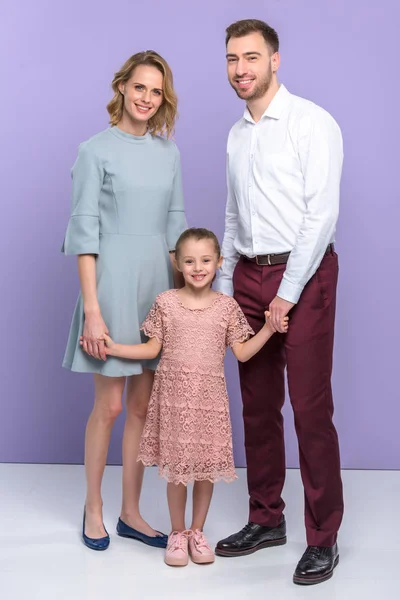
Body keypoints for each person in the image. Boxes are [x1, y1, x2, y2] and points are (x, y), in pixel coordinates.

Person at [215, 19, 344, 585]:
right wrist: (223, 290)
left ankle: (324, 537)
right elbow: (232, 216)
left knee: (311, 411)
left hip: (305, 275)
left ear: (275, 60)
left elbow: (321, 215)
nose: (240, 69)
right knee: (257, 405)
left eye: (250, 57)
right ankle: (266, 518)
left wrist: (287, 294)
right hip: (247, 275)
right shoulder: (236, 133)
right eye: (231, 59)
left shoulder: (312, 122)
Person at [81, 227, 289, 566]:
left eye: (206, 260)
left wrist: (268, 328)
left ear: (219, 263)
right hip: (174, 402)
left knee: (204, 471)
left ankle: (197, 531)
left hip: (209, 403)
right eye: (189, 260)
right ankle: (177, 533)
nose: (197, 267)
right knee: (178, 470)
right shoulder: (166, 303)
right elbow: (152, 348)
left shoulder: (226, 307)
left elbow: (242, 353)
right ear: (177, 262)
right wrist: (115, 347)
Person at [62, 50, 187, 551]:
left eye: (156, 91)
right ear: (121, 87)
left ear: (163, 99)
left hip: (159, 284)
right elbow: (84, 234)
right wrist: (92, 309)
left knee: (142, 407)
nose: (146, 98)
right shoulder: (95, 150)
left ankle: (131, 512)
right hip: (111, 286)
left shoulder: (169, 153)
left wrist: (185, 302)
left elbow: (177, 227)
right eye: (139, 87)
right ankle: (93, 507)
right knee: (110, 406)